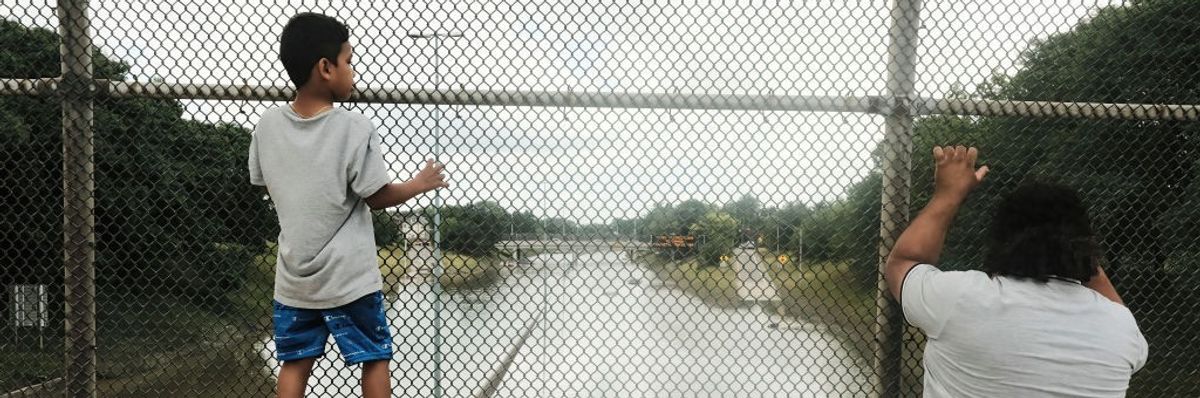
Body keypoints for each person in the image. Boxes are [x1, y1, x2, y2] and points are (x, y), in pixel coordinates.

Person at [248, 12, 449, 398]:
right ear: (326, 68)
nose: (353, 71)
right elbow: (376, 196)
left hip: (294, 281)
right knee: (374, 357)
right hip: (350, 280)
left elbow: (263, 182)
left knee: (295, 362)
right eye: (349, 61)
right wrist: (419, 184)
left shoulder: (268, 125)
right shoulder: (353, 127)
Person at [884, 146, 1148, 397]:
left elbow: (904, 261)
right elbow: (1119, 315)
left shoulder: (959, 298)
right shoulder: (1121, 328)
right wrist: (1074, 248)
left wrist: (948, 194)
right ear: (1085, 243)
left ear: (999, 238)